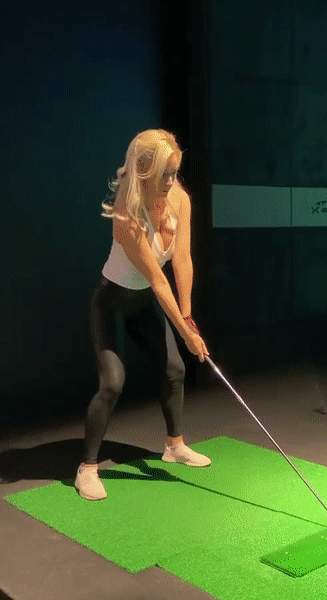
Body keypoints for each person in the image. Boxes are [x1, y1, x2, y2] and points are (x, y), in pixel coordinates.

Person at [75, 129, 211, 501]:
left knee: (175, 370)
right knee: (112, 384)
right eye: (164, 174)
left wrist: (188, 318)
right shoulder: (127, 215)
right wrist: (186, 334)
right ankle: (87, 469)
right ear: (144, 171)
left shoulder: (179, 199)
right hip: (111, 302)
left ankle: (174, 446)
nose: (171, 181)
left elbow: (182, 261)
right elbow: (157, 279)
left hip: (142, 304)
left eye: (175, 172)